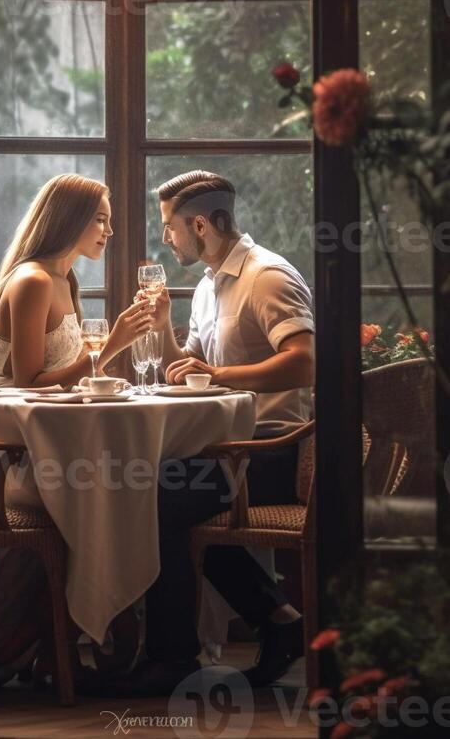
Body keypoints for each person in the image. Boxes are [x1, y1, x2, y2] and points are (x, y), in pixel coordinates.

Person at [0, 173, 152, 683]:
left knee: (107, 489)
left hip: (27, 440)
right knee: (98, 494)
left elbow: (56, 381)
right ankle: (68, 644)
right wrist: (109, 347)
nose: (108, 230)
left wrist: (105, 358)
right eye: (100, 219)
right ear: (67, 220)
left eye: (109, 220)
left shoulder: (63, 280)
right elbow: (27, 380)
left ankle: (69, 644)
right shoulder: (31, 281)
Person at [114, 170, 314, 696]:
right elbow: (193, 367)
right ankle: (278, 619)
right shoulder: (207, 284)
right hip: (232, 451)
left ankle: (172, 659)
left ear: (199, 224)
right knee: (156, 490)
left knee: (160, 496)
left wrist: (222, 376)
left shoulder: (267, 276)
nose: (165, 237)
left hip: (276, 452)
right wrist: (163, 326)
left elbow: (304, 364)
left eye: (169, 227)